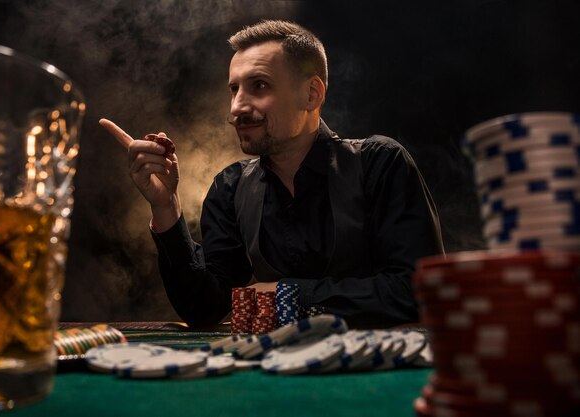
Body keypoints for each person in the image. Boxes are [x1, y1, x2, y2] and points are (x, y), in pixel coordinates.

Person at [100, 20, 444, 328]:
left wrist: (289, 295)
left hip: (381, 379)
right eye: (234, 89)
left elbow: (418, 291)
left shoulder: (380, 163)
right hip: (274, 378)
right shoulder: (229, 187)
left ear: (312, 94)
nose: (237, 107)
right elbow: (203, 310)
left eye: (259, 86)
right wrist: (165, 207)